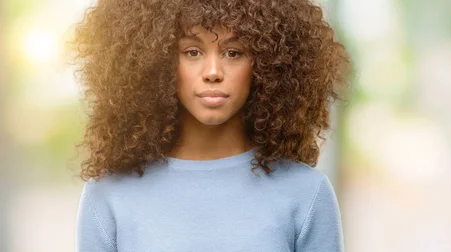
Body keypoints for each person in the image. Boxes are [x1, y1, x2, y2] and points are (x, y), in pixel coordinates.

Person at [70, 0, 351, 251]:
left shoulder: (306, 193)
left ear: (268, 64)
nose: (213, 72)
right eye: (192, 52)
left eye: (233, 52)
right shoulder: (108, 196)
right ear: (156, 62)